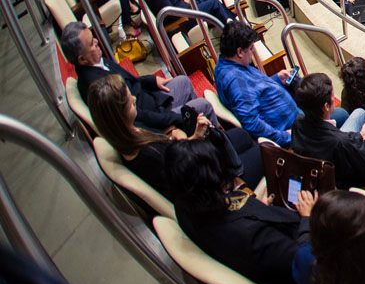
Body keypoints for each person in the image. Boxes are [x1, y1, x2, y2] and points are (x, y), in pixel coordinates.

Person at [167, 139, 313, 284]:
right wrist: (307, 218)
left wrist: (258, 208)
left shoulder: (184, 204)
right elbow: (303, 259)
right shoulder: (252, 236)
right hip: (303, 267)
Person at [87, 73, 264, 194]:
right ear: (119, 114)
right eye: (129, 102)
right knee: (264, 150)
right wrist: (195, 139)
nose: (134, 98)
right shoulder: (148, 156)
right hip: (213, 180)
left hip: (193, 158)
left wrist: (184, 140)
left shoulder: (129, 134)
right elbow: (192, 179)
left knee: (241, 135)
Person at [64, 21, 214, 130]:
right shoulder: (98, 86)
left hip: (150, 99)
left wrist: (152, 80)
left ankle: (200, 132)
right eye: (91, 43)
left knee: (183, 82)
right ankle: (215, 139)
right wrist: (181, 118)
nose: (97, 42)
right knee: (203, 105)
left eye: (93, 38)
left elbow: (130, 79)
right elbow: (136, 118)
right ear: (81, 59)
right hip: (154, 117)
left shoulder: (96, 61)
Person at [290, 73, 365, 191]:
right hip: (356, 173)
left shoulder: (298, 123)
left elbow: (343, 141)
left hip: (339, 152)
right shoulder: (342, 142)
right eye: (332, 95)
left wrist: (359, 136)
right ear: (326, 106)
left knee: (360, 113)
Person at [213, 20, 303, 146]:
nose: (254, 51)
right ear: (239, 52)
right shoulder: (235, 81)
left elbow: (253, 91)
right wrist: (286, 137)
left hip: (293, 118)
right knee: (339, 114)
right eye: (250, 48)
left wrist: (277, 78)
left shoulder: (226, 64)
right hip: (291, 129)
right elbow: (251, 123)